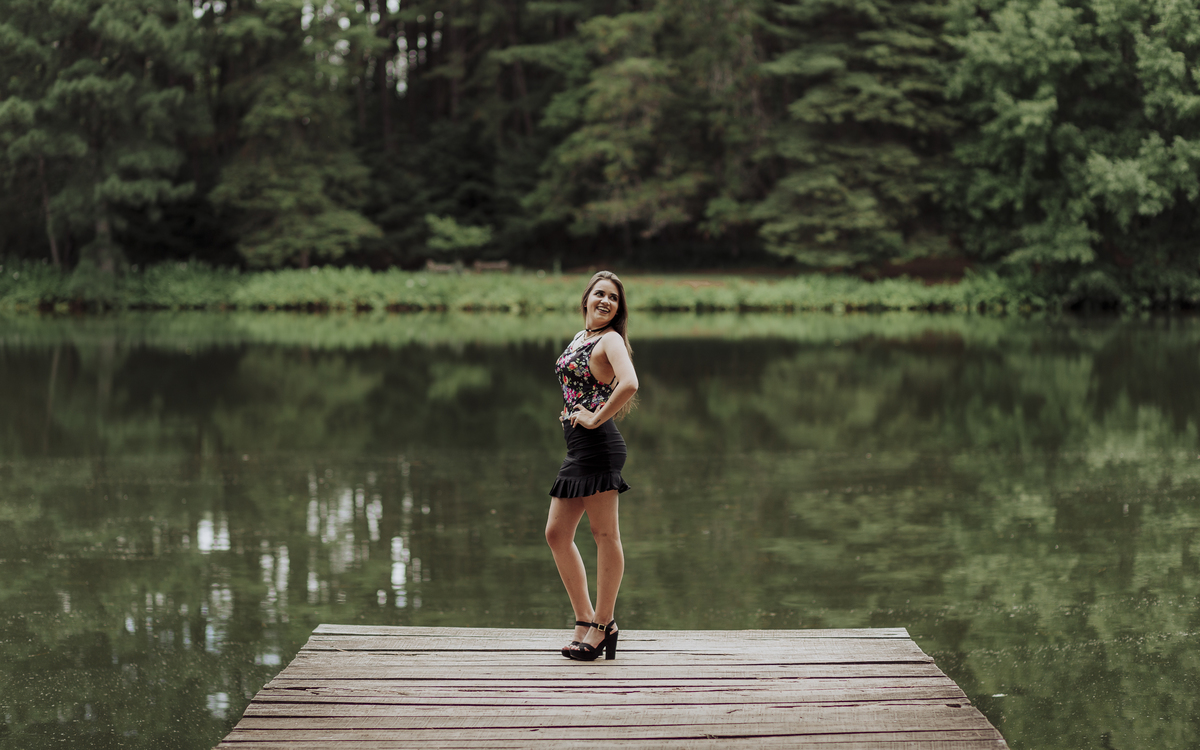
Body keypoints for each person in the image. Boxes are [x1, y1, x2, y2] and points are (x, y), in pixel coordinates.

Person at [546, 271, 639, 661]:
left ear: (618, 309)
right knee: (556, 534)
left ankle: (603, 625)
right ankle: (585, 619)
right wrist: (572, 411)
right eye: (599, 293)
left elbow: (629, 382)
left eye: (613, 298)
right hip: (578, 446)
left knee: (605, 536)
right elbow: (581, 383)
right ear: (586, 298)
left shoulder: (611, 339)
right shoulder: (581, 337)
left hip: (599, 445)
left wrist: (595, 417)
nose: (605, 301)